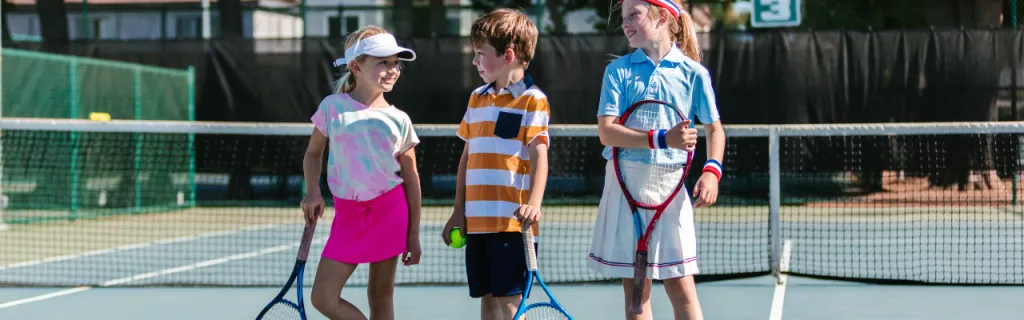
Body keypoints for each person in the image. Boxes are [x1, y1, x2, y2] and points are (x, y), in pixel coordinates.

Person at [587, 0, 726, 319]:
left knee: (682, 288)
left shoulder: (693, 73)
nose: (624, 24)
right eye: (622, 18)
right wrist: (662, 138)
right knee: (637, 293)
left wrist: (712, 171)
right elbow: (608, 133)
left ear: (662, 16)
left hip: (670, 186)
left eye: (633, 15)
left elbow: (714, 129)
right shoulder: (617, 71)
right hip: (624, 185)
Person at [300, 25, 423, 320]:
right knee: (323, 297)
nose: (392, 69)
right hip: (347, 216)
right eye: (383, 62)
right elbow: (313, 153)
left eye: (396, 63)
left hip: (390, 211)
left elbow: (412, 180)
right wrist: (313, 192)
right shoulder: (332, 108)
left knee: (380, 297)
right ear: (356, 66)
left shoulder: (399, 119)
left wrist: (414, 235)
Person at [440, 8, 550, 320]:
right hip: (476, 224)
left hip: (513, 224)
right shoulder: (476, 98)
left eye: (479, 54)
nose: (474, 62)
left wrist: (534, 204)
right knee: (487, 300)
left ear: (508, 55)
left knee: (511, 304)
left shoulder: (533, 100)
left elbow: (541, 155)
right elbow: (467, 157)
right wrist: (458, 210)